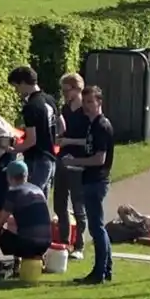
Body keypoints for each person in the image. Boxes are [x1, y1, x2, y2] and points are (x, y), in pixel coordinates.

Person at [70, 85, 115, 284]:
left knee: (96, 228)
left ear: (99, 102)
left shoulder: (101, 126)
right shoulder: (92, 124)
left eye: (90, 102)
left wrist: (75, 162)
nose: (86, 106)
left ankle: (99, 272)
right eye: (85, 101)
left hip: (96, 181)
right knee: (98, 227)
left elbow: (99, 159)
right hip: (90, 179)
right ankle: (105, 269)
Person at [0, 157, 52, 273]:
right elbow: (19, 219)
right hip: (44, 244)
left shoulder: (14, 193)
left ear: (9, 177)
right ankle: (18, 263)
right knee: (13, 224)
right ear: (26, 175)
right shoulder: (37, 190)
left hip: (26, 245)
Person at [53, 71, 90, 258]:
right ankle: (64, 242)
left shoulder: (87, 110)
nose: (64, 94)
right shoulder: (65, 108)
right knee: (59, 203)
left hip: (79, 162)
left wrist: (68, 142)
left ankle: (79, 245)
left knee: (78, 204)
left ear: (77, 89)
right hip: (63, 159)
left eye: (67, 90)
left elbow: (89, 140)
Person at [9, 65, 59, 194]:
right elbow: (61, 126)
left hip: (36, 160)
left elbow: (31, 140)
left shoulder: (31, 106)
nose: (16, 91)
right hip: (50, 157)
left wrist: (12, 150)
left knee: (30, 197)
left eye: (16, 86)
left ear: (24, 83)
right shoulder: (50, 100)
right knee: (42, 201)